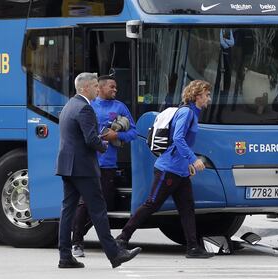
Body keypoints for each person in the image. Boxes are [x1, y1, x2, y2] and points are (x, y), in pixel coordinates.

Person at [115, 80, 214, 259]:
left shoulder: (191, 113)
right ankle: (122, 238)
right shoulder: (187, 113)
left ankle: (193, 247)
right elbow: (178, 139)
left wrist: (188, 165)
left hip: (180, 171)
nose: (209, 98)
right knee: (151, 204)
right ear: (198, 96)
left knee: (187, 208)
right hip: (168, 170)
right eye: (207, 95)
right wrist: (194, 160)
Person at [55, 72, 141, 269]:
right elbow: (91, 139)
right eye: (94, 86)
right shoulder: (85, 108)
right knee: (99, 210)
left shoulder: (69, 105)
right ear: (85, 88)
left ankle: (65, 256)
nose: (97, 89)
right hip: (84, 168)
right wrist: (106, 144)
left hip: (68, 166)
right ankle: (115, 254)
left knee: (67, 211)